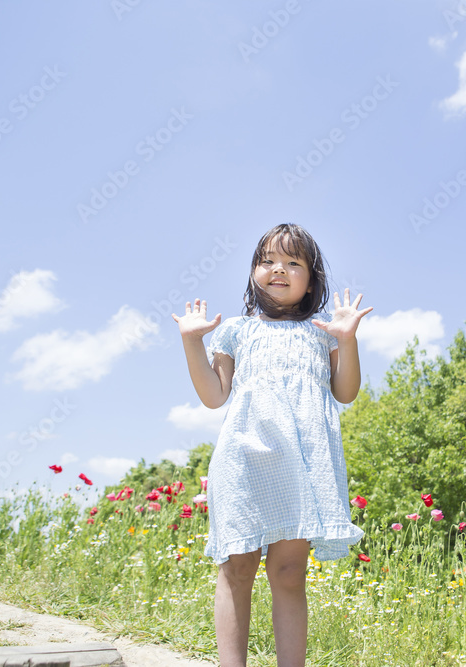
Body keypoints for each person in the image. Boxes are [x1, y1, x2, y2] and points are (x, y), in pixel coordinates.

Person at [171, 223, 371, 666]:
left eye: (293, 262)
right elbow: (213, 396)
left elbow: (346, 391)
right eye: (267, 260)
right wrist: (192, 342)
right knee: (236, 569)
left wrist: (347, 339)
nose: (278, 269)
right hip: (242, 461)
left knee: (288, 572)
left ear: (312, 280)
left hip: (301, 466)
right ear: (253, 272)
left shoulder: (324, 333)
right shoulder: (236, 332)